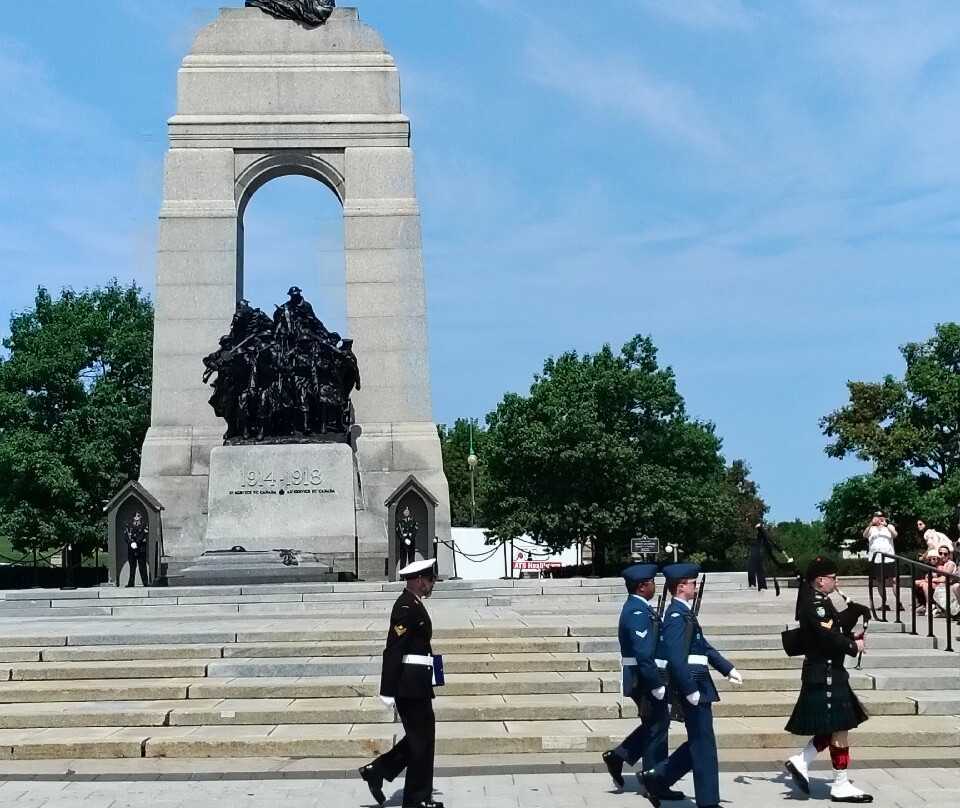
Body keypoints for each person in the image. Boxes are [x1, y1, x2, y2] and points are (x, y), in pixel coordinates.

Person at [639, 564, 740, 808]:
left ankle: (658, 778)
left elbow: (702, 646)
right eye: (693, 583)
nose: (696, 586)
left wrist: (727, 668)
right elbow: (675, 656)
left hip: (699, 682)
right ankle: (708, 802)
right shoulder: (675, 615)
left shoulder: (684, 613)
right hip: (693, 684)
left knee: (700, 741)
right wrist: (689, 688)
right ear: (681, 586)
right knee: (703, 743)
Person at [784, 556, 871, 803]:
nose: (836, 581)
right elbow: (828, 637)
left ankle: (801, 761)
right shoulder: (814, 603)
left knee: (834, 727)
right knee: (839, 728)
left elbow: (833, 629)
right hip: (825, 674)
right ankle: (840, 785)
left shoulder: (821, 600)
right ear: (820, 580)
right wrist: (854, 646)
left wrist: (851, 624)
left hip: (828, 672)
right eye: (833, 577)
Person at [360, 558, 443, 808]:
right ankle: (416, 800)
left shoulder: (414, 604)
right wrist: (387, 689)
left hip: (418, 681)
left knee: (423, 738)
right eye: (430, 580)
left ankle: (378, 770)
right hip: (408, 684)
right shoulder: (405, 607)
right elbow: (393, 649)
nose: (432, 585)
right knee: (421, 740)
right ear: (419, 580)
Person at [601, 564, 682, 800]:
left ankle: (619, 756)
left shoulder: (640, 608)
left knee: (655, 723)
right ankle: (654, 781)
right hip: (643, 677)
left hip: (645, 675)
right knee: (657, 726)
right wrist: (656, 683)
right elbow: (643, 653)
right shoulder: (636, 612)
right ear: (641, 586)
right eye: (651, 583)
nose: (654, 587)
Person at [862, 511, 901, 613]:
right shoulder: (871, 529)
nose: (878, 518)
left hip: (889, 557)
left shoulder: (889, 527)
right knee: (880, 580)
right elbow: (864, 535)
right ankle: (884, 603)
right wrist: (871, 524)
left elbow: (895, 535)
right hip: (876, 558)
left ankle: (898, 602)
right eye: (876, 516)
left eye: (880, 516)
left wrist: (886, 525)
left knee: (894, 580)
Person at [123, 511, 149, 588]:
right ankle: (131, 583)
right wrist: (130, 543)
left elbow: (143, 535)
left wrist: (136, 543)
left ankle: (145, 582)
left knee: (142, 566)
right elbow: (126, 536)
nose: (136, 517)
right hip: (131, 549)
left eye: (138, 516)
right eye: (134, 516)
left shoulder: (144, 525)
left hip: (141, 548)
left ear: (141, 517)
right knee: (132, 566)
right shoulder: (129, 526)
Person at [396, 506, 419, 571]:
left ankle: (411, 573)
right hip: (403, 542)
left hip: (411, 542)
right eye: (405, 511)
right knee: (403, 558)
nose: (406, 512)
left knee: (411, 558)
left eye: (407, 511)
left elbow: (415, 531)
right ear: (403, 513)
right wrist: (404, 539)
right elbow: (398, 532)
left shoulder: (413, 520)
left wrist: (410, 539)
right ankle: (403, 575)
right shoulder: (400, 522)